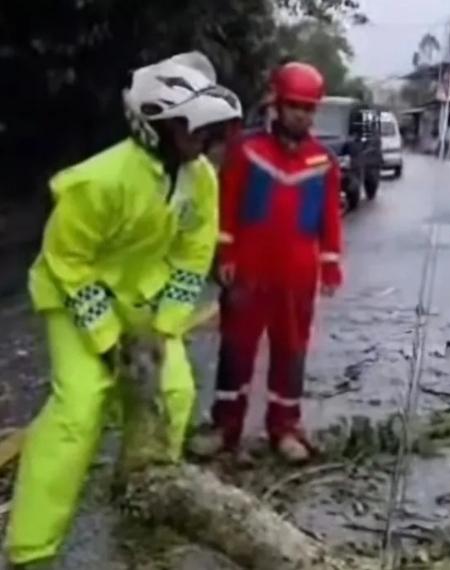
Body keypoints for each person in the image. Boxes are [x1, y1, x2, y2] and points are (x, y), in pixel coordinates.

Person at [4, 52, 242, 569]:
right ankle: (30, 551)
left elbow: (192, 256)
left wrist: (163, 329)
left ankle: (144, 501)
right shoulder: (97, 181)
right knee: (80, 406)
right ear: (156, 126)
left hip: (144, 303)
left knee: (174, 394)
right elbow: (68, 261)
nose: (202, 139)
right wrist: (109, 342)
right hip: (74, 297)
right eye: (189, 127)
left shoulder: (201, 178)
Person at [189, 62, 343, 462]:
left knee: (291, 350)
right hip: (248, 271)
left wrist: (330, 265)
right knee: (236, 349)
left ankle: (285, 428)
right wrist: (226, 254)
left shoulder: (323, 162)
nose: (301, 115)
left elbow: (329, 219)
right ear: (277, 104)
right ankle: (225, 427)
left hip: (298, 275)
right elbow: (227, 205)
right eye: (294, 106)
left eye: (308, 108)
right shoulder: (246, 151)